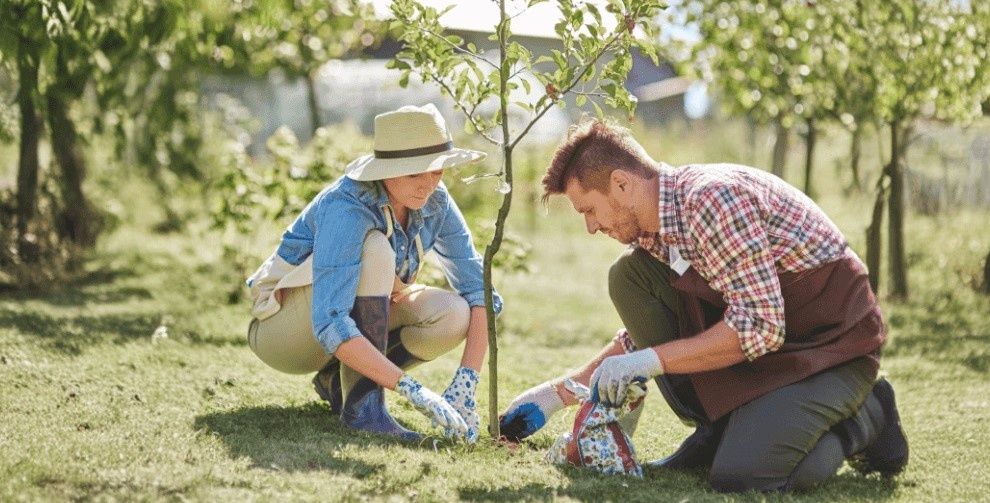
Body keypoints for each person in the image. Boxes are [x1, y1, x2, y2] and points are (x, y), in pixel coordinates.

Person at [500, 118, 908, 492]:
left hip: (831, 350)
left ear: (622, 184)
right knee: (628, 277)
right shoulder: (654, 228)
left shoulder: (713, 203)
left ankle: (867, 414)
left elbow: (759, 327)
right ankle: (723, 427)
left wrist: (650, 362)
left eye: (589, 210)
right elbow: (646, 335)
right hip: (774, 348)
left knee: (745, 476)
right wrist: (556, 394)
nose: (590, 227)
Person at [246, 104, 501, 443]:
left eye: (437, 171)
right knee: (378, 248)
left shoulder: (434, 200)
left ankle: (340, 384)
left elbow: (478, 290)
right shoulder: (348, 205)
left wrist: (466, 382)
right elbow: (329, 322)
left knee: (454, 314)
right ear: (386, 169)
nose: (428, 184)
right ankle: (364, 408)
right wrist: (411, 389)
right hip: (284, 332)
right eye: (414, 173)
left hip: (335, 329)